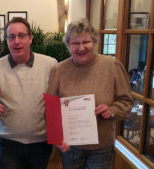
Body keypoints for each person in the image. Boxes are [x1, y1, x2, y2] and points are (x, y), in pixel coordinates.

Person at [47, 19, 133, 169]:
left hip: (101, 147)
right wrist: (57, 138)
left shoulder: (111, 66)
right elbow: (51, 109)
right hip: (70, 146)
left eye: (86, 41)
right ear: (68, 45)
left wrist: (111, 110)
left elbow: (126, 102)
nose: (81, 48)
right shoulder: (59, 70)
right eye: (75, 43)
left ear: (94, 42)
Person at [0, 17, 57, 169]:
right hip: (8, 144)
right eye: (12, 36)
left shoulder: (50, 64)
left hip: (40, 144)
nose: (17, 41)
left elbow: (57, 100)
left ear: (30, 38)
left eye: (21, 36)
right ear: (7, 40)